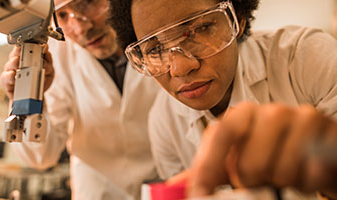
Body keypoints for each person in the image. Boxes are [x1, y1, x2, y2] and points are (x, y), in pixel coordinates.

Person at [108, 0, 337, 198]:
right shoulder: (163, 121)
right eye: (155, 48)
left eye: (200, 29)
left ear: (237, 19)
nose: (180, 68)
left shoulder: (306, 58)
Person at [1, 0, 160, 199]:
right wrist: (26, 100)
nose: (81, 28)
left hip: (164, 180)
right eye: (63, 15)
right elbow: (41, 157)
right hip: (97, 189)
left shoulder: (155, 29)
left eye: (87, 2)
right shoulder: (56, 55)